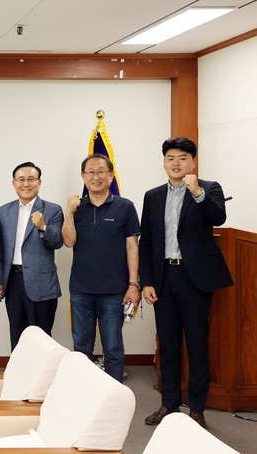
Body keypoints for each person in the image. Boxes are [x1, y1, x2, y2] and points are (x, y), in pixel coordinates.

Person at [140, 137, 233, 429]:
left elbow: (218, 218)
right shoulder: (153, 196)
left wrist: (197, 193)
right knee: (168, 346)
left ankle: (197, 410)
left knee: (196, 345)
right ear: (164, 162)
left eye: (182, 158)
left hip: (194, 279)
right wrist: (146, 281)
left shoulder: (209, 188)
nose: (176, 163)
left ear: (193, 161)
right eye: (170, 158)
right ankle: (169, 405)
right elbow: (147, 242)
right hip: (163, 278)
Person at [62, 154, 140, 382]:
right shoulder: (77, 207)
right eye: (90, 172)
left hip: (114, 290)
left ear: (111, 175)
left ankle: (114, 394)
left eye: (101, 172)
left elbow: (132, 247)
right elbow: (69, 241)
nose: (96, 177)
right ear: (83, 176)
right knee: (81, 346)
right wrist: (69, 212)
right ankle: (85, 391)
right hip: (81, 290)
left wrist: (133, 284)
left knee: (113, 347)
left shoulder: (125, 206)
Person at [0, 162, 63, 351]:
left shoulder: (53, 209)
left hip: (41, 282)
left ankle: (43, 371)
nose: (26, 184)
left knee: (42, 338)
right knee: (17, 336)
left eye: (31, 179)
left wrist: (43, 227)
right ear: (14, 183)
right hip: (13, 282)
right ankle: (20, 370)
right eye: (21, 179)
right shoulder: (4, 211)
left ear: (39, 182)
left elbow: (57, 242)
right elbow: (0, 249)